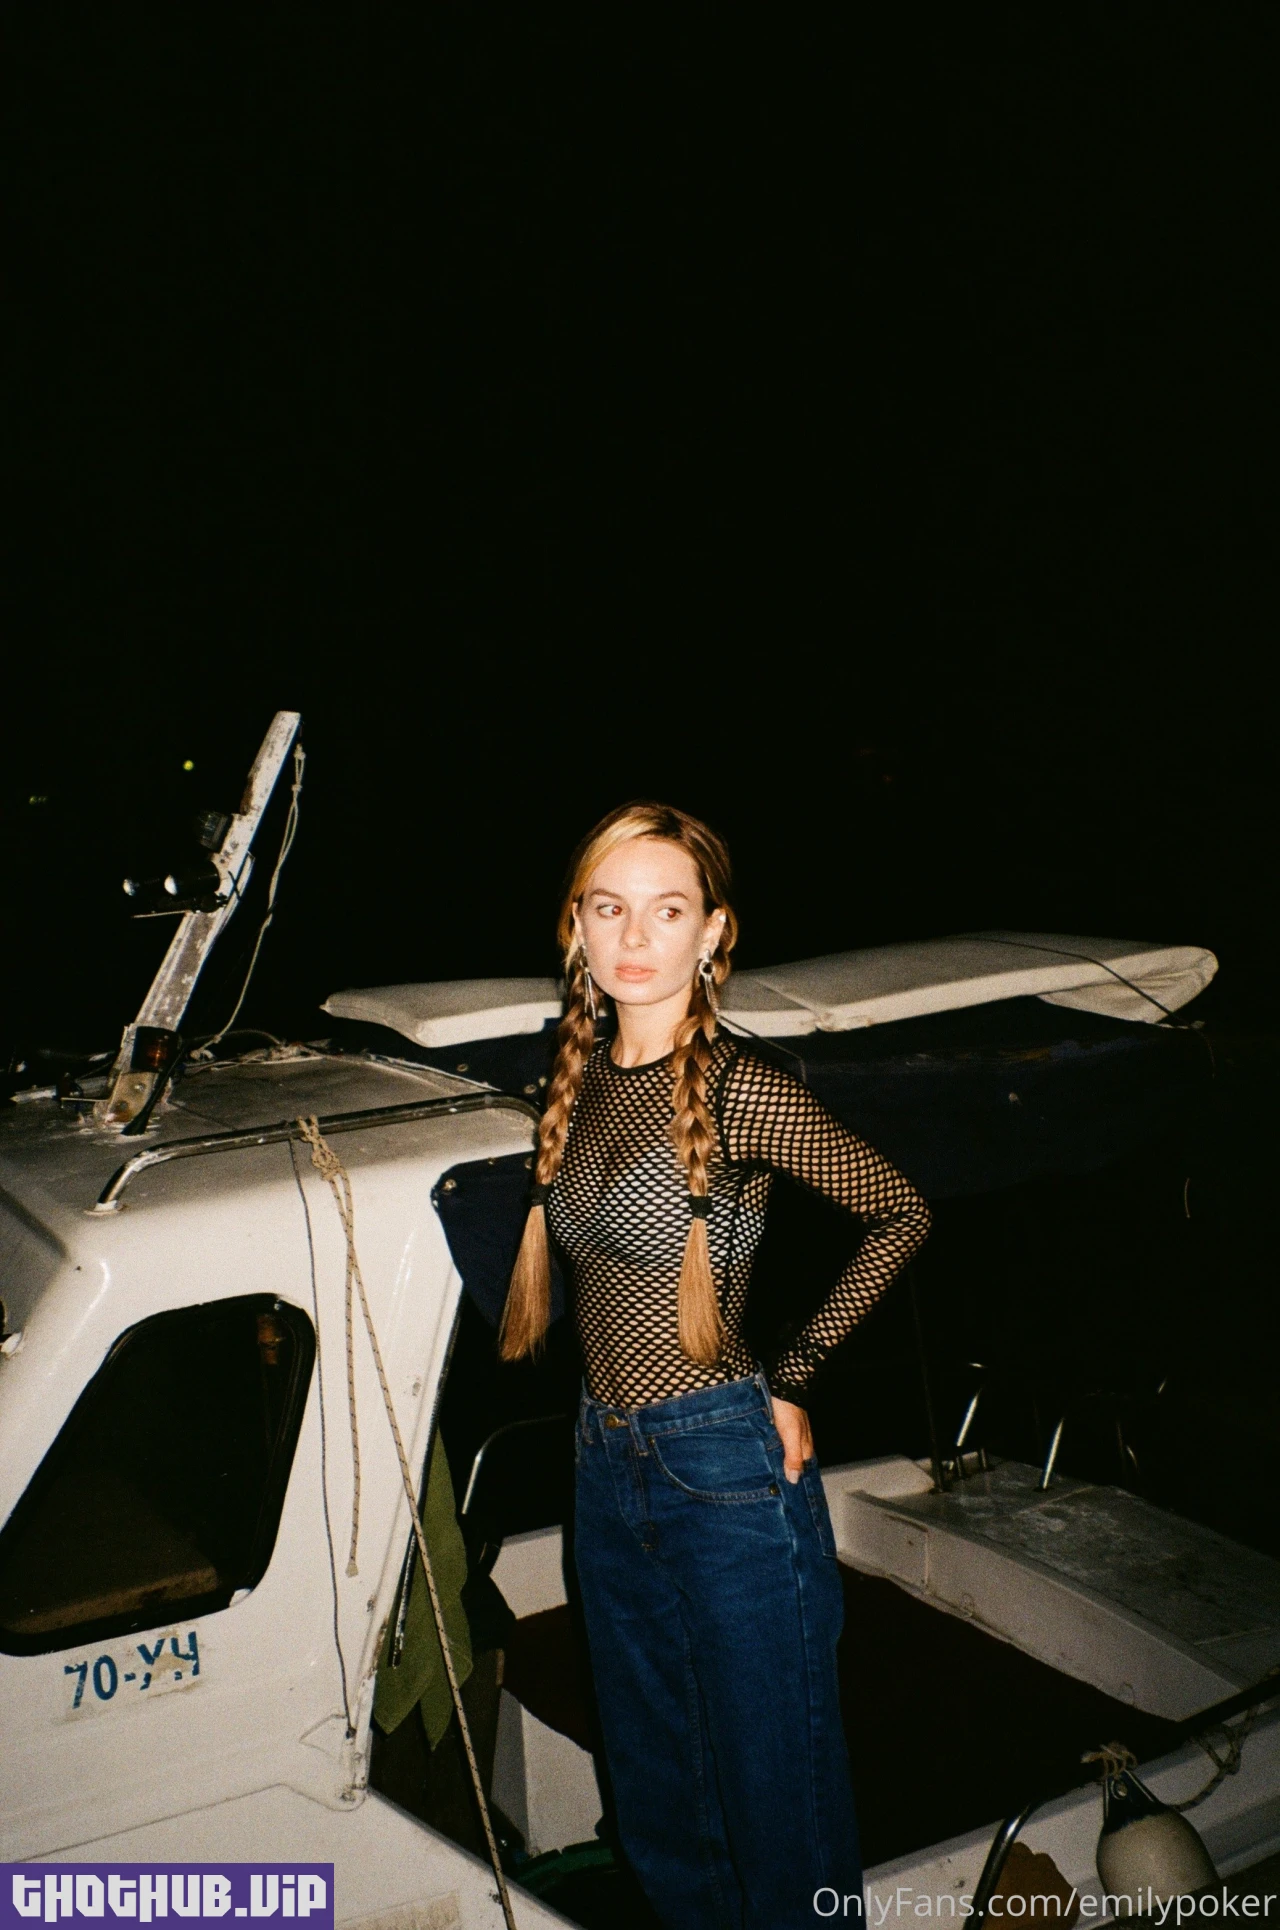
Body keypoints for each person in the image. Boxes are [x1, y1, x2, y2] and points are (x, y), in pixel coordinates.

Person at [499, 802, 931, 1929]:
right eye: (609, 909)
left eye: (667, 909)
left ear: (712, 931)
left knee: (779, 1813)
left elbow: (899, 1212)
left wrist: (795, 1377)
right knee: (657, 1803)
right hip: (604, 1464)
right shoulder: (576, 1083)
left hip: (724, 1467)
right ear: (576, 927)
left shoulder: (745, 1088)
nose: (634, 937)